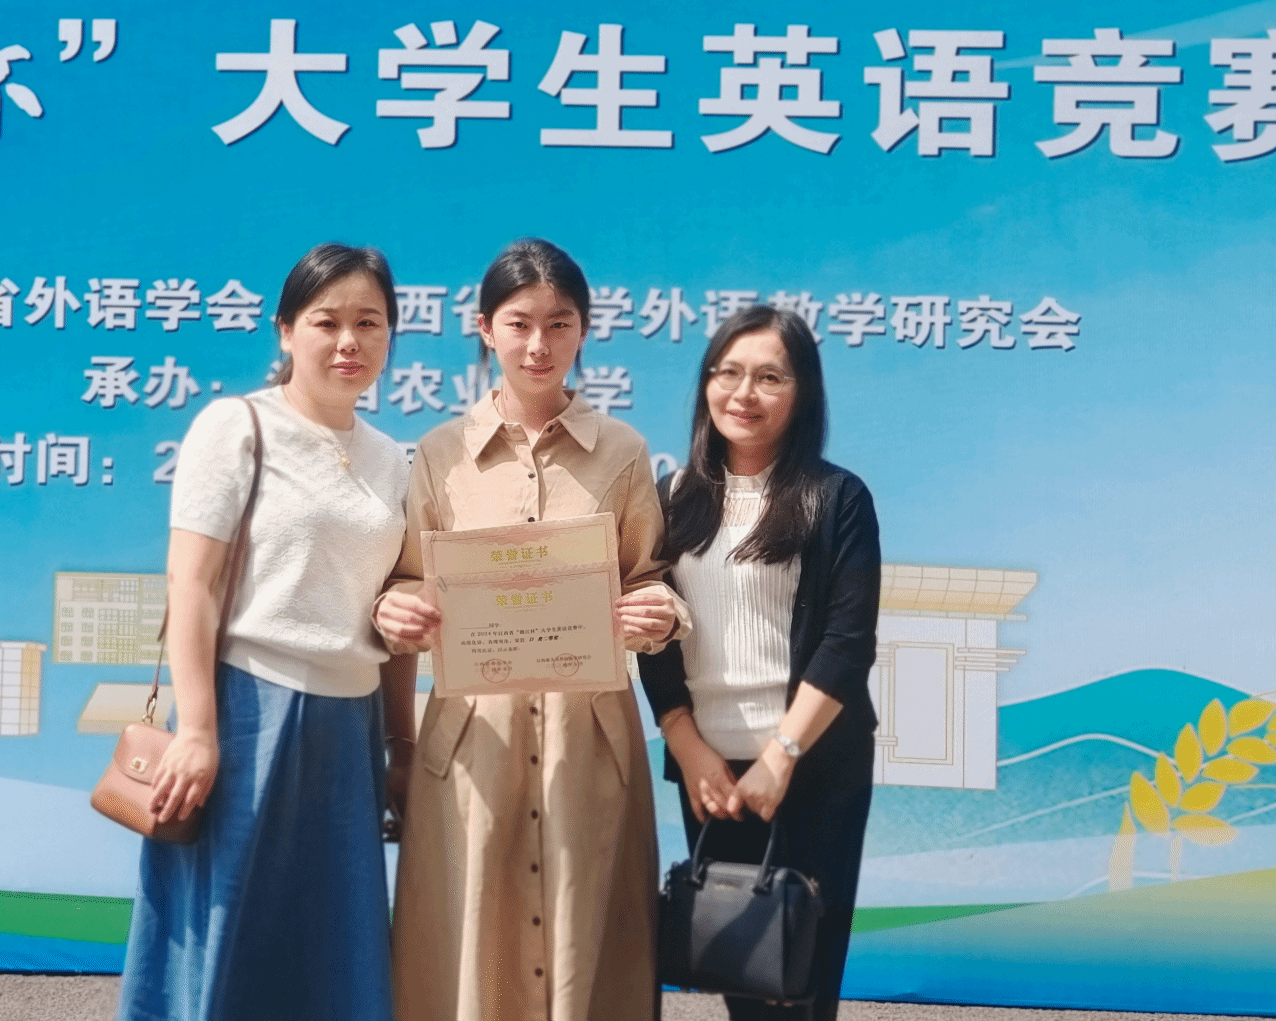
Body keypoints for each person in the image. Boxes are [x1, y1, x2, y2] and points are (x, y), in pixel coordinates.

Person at [375, 237, 688, 1021]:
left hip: (589, 744)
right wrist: (394, 608)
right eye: (518, 323)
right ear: (485, 329)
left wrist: (658, 611)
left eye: (559, 323)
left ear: (585, 330)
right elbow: (406, 577)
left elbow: (648, 576)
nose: (538, 344)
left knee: (589, 946)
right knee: (471, 943)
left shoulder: (623, 452)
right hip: (475, 743)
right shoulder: (439, 454)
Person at [118, 244, 416, 1021]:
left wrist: (402, 747)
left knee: (331, 954)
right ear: (285, 330)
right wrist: (198, 731)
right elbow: (191, 583)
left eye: (369, 323)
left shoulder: (394, 462)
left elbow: (393, 614)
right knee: (225, 939)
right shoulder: (238, 426)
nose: (349, 341)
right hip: (246, 714)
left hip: (350, 731)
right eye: (327, 321)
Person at [637, 304, 882, 1021]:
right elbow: (653, 639)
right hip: (710, 776)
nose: (744, 393)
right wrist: (688, 748)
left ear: (802, 392)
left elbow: (847, 642)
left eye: (770, 377)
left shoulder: (836, 498)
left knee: (800, 983)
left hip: (812, 768)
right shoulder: (670, 498)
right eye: (728, 373)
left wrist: (781, 756)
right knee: (739, 977)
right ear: (706, 384)